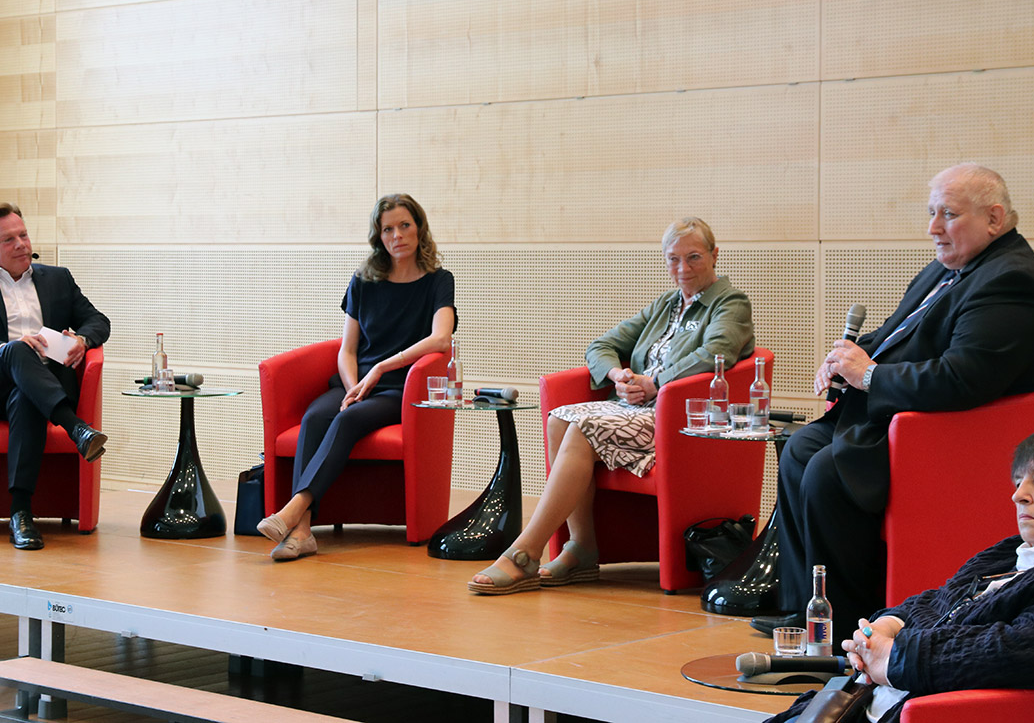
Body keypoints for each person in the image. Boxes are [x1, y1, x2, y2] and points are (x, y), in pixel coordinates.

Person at [743, 164, 1034, 635]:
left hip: (954, 437)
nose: (933, 228)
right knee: (798, 449)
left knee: (827, 472)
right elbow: (897, 335)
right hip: (907, 418)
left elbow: (961, 378)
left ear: (994, 218)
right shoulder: (949, 267)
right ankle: (807, 609)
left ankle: (850, 622)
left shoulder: (1011, 281)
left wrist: (870, 374)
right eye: (931, 212)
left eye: (948, 214)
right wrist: (848, 359)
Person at [766, 426, 1034, 723]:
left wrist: (898, 659)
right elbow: (940, 600)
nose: (1018, 495)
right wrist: (887, 626)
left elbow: (1024, 649)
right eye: (1019, 481)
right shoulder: (1014, 553)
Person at [468, 217, 754, 594]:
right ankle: (581, 548)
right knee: (558, 419)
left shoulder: (730, 302)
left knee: (581, 428)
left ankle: (525, 552)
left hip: (676, 418)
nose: (683, 269)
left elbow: (716, 352)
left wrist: (655, 382)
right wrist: (618, 376)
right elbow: (599, 347)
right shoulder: (665, 305)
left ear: (715, 256)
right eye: (673, 260)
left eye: (694, 257)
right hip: (633, 409)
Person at [258, 194, 456, 561]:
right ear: (378, 237)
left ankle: (294, 510)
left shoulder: (438, 281)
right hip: (357, 382)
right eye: (388, 229)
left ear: (419, 228)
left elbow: (441, 338)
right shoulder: (364, 279)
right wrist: (354, 387)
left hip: (401, 387)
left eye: (404, 225)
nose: (397, 235)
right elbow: (346, 350)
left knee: (347, 419)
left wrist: (381, 368)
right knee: (317, 416)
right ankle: (302, 533)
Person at [0, 202, 111, 551]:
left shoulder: (58, 278)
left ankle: (20, 514)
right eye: (8, 240)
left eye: (23, 234)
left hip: (39, 388)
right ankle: (75, 427)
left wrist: (82, 339)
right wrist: (7, 348)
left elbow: (99, 321)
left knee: (26, 395)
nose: (21, 244)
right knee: (17, 350)